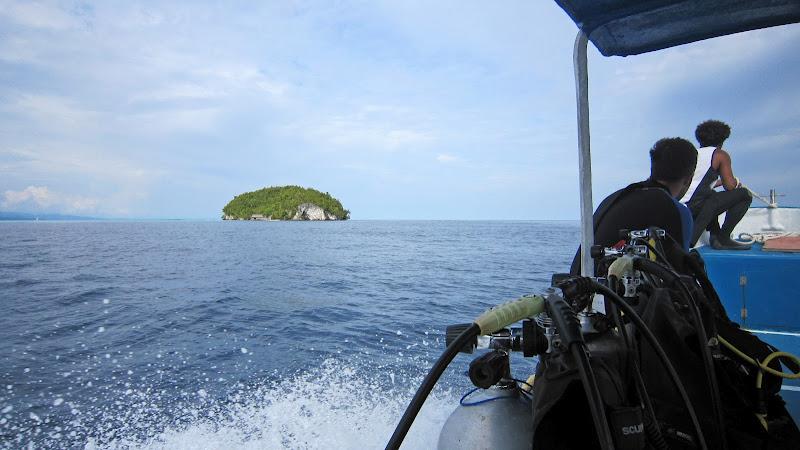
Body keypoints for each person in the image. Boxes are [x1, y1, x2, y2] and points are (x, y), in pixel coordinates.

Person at [570, 137, 696, 275]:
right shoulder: (677, 211)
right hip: (611, 293)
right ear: (688, 179)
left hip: (581, 287)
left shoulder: (616, 198)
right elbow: (683, 278)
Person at [680, 120, 752, 250]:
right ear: (722, 139)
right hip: (694, 207)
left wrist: (718, 182)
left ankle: (715, 236)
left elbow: (698, 184)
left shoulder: (693, 154)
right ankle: (723, 238)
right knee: (744, 195)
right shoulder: (719, 155)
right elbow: (730, 186)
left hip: (682, 207)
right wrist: (736, 181)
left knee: (711, 195)